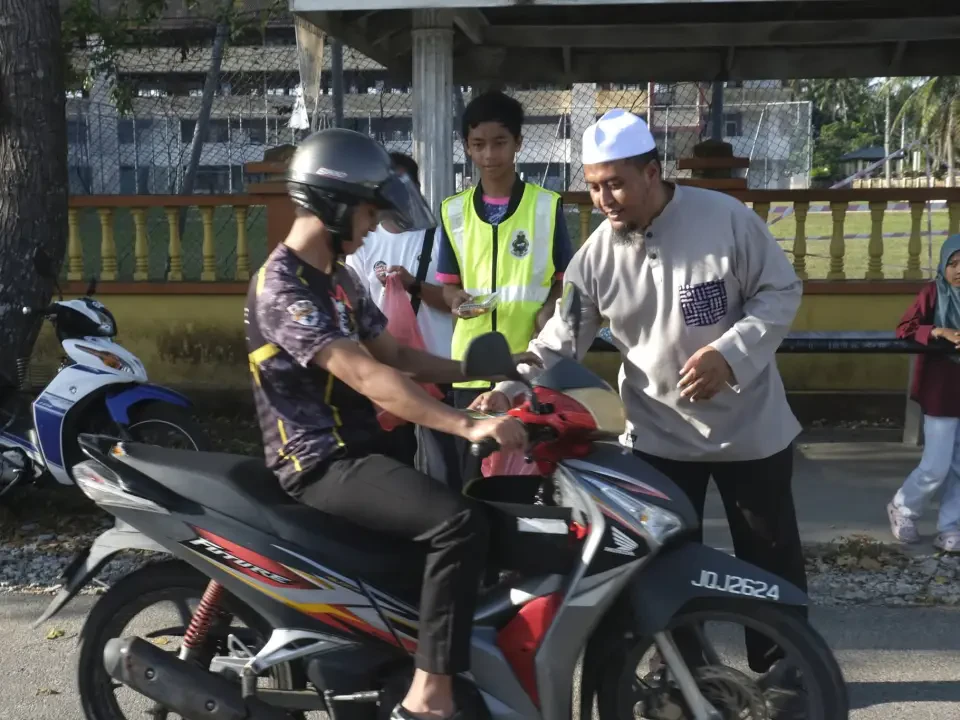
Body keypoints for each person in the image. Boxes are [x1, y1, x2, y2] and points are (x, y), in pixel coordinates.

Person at [473, 109, 807, 679]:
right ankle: (682, 677)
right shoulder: (598, 254)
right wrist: (508, 389)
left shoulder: (724, 219)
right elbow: (559, 339)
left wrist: (730, 354)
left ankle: (787, 672)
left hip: (750, 432)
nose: (605, 199)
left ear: (653, 172)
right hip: (657, 438)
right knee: (662, 564)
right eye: (596, 186)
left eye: (617, 183)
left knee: (767, 558)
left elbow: (780, 291)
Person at [244, 128, 536, 720]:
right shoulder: (285, 287)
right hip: (320, 462)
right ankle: (429, 700)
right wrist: (462, 425)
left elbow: (398, 356)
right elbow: (370, 377)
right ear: (334, 204)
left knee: (473, 527)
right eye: (369, 212)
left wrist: (479, 370)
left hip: (361, 449)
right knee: (458, 523)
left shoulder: (341, 281)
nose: (374, 226)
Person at [435, 90, 574, 487]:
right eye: (478, 145)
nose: (490, 155)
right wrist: (455, 299)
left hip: (529, 364)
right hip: (470, 368)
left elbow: (564, 279)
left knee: (528, 476)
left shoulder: (546, 206)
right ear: (467, 147)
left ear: (518, 144)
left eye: (500, 143)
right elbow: (447, 287)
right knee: (472, 479)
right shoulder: (453, 211)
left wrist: (550, 308)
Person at [344, 152, 459, 482]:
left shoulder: (441, 242)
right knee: (396, 469)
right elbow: (356, 309)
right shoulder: (364, 245)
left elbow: (459, 303)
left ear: (415, 190)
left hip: (437, 367)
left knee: (446, 469)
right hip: (388, 372)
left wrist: (414, 285)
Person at [887, 234, 960, 552]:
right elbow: (904, 327)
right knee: (936, 465)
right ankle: (903, 508)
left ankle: (951, 526)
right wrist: (939, 331)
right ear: (943, 265)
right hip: (941, 391)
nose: (959, 270)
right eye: (953, 263)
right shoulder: (933, 294)